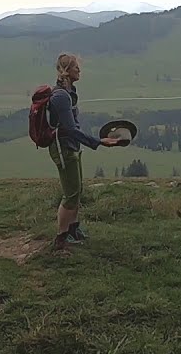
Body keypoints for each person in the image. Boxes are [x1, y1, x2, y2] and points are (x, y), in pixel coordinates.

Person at [47, 52, 121, 251]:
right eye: (76, 67)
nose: (80, 70)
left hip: (72, 146)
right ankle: (60, 238)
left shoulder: (68, 92)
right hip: (64, 147)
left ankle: (73, 230)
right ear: (67, 70)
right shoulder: (61, 96)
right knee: (71, 194)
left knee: (77, 191)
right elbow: (70, 129)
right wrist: (98, 142)